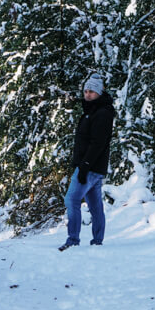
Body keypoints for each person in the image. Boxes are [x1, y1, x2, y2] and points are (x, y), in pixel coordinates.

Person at [59, 72, 115, 251]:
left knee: (71, 200)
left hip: (90, 167)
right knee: (95, 205)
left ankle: (73, 241)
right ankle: (97, 241)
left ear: (99, 93)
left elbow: (98, 143)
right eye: (86, 91)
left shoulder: (102, 113)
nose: (88, 94)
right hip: (93, 167)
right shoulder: (92, 111)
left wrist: (84, 166)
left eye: (91, 91)